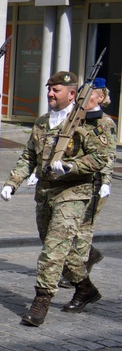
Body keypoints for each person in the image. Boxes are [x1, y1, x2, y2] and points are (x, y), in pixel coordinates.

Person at [1, 71, 111, 326]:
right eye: (49, 89)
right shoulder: (42, 122)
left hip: (74, 193)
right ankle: (85, 288)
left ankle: (41, 301)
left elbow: (99, 158)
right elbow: (29, 156)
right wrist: (12, 182)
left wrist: (72, 167)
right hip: (46, 194)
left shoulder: (87, 122)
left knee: (52, 251)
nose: (50, 94)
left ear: (72, 93)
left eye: (56, 90)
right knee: (63, 250)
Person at [67, 78, 114, 276]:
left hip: (95, 181)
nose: (81, 98)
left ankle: (78, 272)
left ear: (100, 97)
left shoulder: (105, 123)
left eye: (89, 95)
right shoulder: (75, 118)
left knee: (84, 226)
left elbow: (108, 155)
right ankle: (89, 254)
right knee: (73, 226)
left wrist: (105, 181)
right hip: (76, 179)